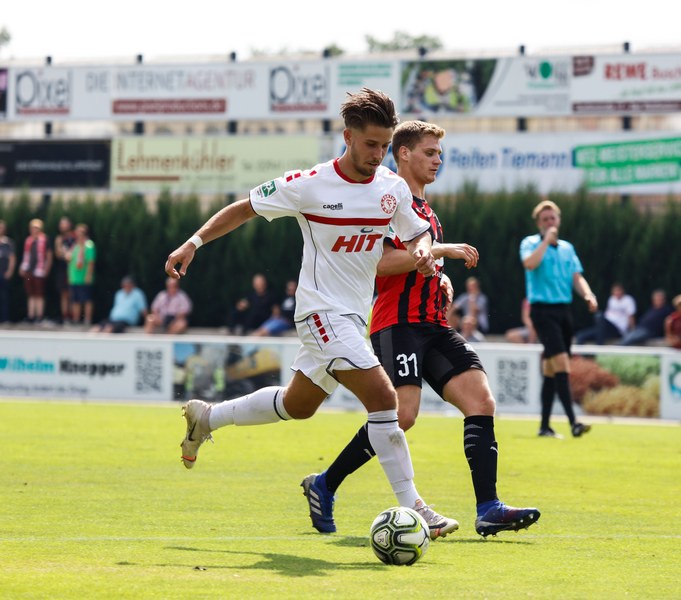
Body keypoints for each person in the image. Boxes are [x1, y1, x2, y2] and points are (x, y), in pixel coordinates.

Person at [166, 88, 458, 538]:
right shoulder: (310, 184)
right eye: (370, 144)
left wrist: (422, 250)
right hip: (319, 312)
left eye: (384, 146)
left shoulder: (392, 188)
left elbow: (417, 232)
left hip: (353, 318)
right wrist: (194, 242)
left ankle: (207, 417)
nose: (378, 154)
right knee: (385, 400)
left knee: (297, 405)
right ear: (348, 136)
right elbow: (245, 208)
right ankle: (417, 508)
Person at [300, 119, 539, 539]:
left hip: (433, 325)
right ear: (404, 153)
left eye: (439, 154)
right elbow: (379, 263)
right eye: (429, 153)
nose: (437, 160)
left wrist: (439, 277)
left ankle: (488, 508)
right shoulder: (384, 202)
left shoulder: (426, 211)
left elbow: (418, 263)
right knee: (403, 415)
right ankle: (326, 482)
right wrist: (442, 251)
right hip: (398, 324)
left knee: (481, 400)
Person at [521, 199, 597, 439]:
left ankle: (544, 426)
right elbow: (529, 264)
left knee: (551, 369)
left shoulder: (567, 248)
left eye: (552, 218)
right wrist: (545, 241)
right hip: (542, 311)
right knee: (562, 363)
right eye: (545, 219)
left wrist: (588, 294)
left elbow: (576, 277)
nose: (549, 222)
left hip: (564, 311)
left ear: (559, 220)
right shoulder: (530, 243)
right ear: (539, 223)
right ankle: (574, 422)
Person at [18, 218, 53, 324]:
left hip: (39, 270)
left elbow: (49, 255)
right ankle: (31, 316)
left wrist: (47, 268)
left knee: (39, 293)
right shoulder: (28, 240)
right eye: (33, 228)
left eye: (37, 228)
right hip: (29, 270)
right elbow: (26, 255)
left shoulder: (44, 240)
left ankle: (39, 316)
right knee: (31, 293)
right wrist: (22, 267)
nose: (35, 230)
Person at [67, 223, 96, 326]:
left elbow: (91, 262)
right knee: (75, 300)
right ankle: (76, 320)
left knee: (87, 300)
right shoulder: (75, 245)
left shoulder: (89, 245)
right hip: (74, 278)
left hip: (84, 278)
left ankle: (87, 320)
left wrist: (88, 276)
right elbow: (69, 258)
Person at [54, 216, 76, 324]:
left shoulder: (75, 237)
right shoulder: (59, 239)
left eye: (64, 223)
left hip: (74, 268)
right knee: (64, 294)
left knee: (72, 293)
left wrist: (69, 254)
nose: (62, 226)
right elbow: (58, 254)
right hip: (63, 268)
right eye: (61, 224)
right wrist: (65, 254)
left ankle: (73, 317)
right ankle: (65, 317)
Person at [0, 220, 16, 323]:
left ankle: (4, 318)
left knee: (4, 297)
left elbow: (12, 258)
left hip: (3, 273)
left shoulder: (8, 243)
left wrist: (10, 271)